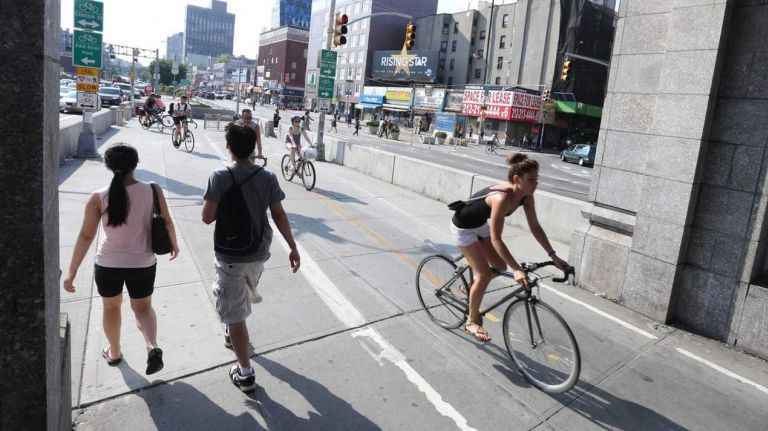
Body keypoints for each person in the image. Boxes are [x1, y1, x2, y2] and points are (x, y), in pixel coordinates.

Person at [63, 144, 179, 374]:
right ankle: (151, 346)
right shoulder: (153, 190)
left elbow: (86, 235)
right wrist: (174, 244)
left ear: (109, 166)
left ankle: (114, 352)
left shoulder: (98, 196)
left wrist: (72, 271)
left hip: (108, 264)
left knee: (111, 308)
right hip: (143, 263)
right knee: (143, 308)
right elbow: (166, 220)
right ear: (135, 164)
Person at [202, 123, 300, 391]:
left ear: (228, 147)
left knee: (234, 314)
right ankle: (233, 328)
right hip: (258, 253)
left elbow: (207, 217)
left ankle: (245, 373)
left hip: (230, 254)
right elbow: (278, 214)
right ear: (253, 149)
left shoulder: (219, 176)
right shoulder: (267, 177)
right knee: (239, 298)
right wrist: (292, 246)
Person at [450, 153, 569, 342]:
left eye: (537, 179)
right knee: (484, 275)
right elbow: (497, 239)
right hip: (463, 228)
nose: (536, 183)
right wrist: (517, 269)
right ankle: (471, 321)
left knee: (499, 266)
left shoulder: (526, 197)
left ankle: (470, 288)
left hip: (480, 225)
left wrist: (554, 256)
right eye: (531, 179)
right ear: (516, 179)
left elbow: (536, 228)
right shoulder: (502, 198)